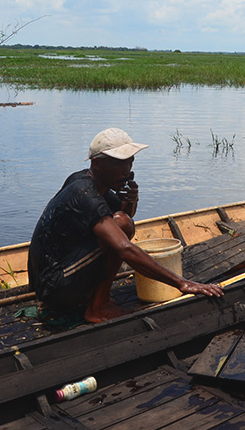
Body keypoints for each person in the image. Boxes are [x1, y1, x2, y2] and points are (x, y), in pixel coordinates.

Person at [28, 128, 224, 323]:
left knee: (122, 222)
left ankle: (94, 298)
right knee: (120, 226)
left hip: (56, 277)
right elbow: (123, 245)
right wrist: (182, 283)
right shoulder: (83, 192)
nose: (127, 170)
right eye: (119, 163)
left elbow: (124, 218)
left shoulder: (90, 182)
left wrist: (131, 201)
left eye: (130, 161)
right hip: (55, 286)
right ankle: (98, 307)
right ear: (97, 164)